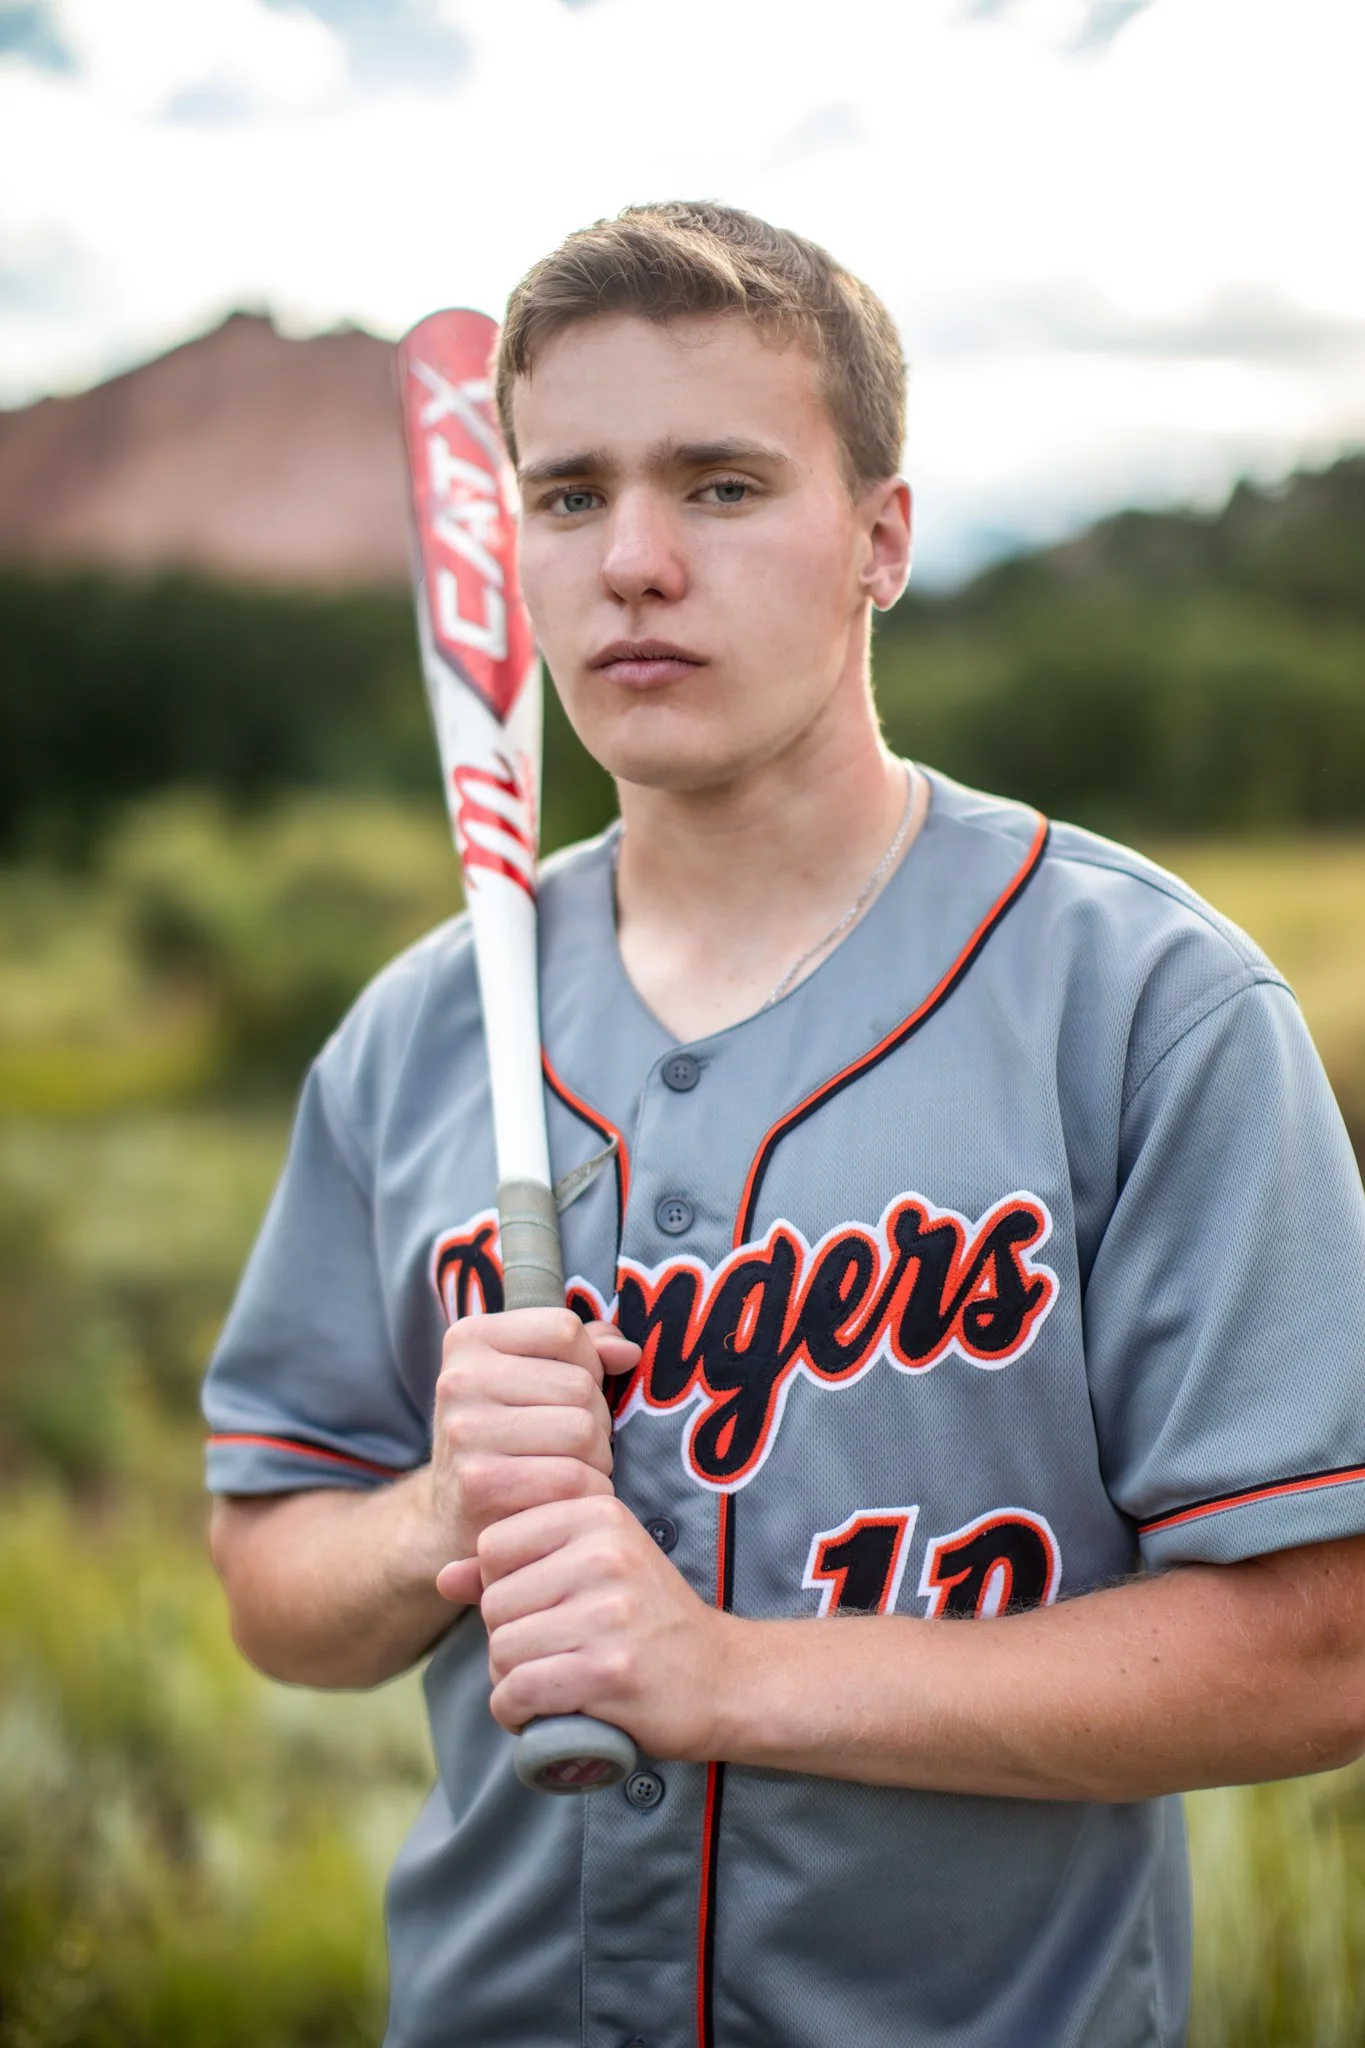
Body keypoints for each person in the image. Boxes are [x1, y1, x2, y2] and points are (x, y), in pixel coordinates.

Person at [203, 203, 1365, 2048]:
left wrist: (728, 1677)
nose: (637, 562)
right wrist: (446, 1506)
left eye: (724, 486)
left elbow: (1325, 1641)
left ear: (880, 539)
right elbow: (274, 1580)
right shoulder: (412, 1037)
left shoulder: (1146, 1005)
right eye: (570, 495)